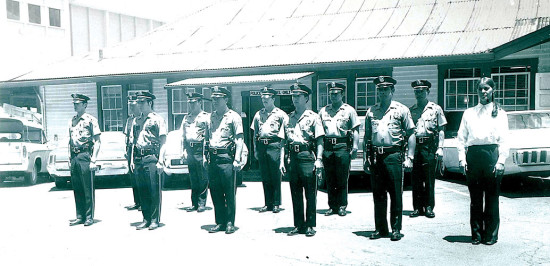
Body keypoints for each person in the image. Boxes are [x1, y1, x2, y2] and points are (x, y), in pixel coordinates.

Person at [457, 77, 508, 245]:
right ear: (476, 91)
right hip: (474, 156)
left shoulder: (500, 113)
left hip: (491, 155)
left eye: (486, 88)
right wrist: (462, 159)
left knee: (492, 197)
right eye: (480, 88)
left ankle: (491, 235)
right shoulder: (469, 113)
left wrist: (501, 161)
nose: (483, 91)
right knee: (475, 198)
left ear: (493, 90)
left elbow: (505, 139)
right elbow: (461, 138)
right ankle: (476, 234)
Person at [363, 76, 416, 241]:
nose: (382, 92)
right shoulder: (371, 111)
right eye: (379, 89)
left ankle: (395, 229)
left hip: (394, 155)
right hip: (376, 156)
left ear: (392, 91)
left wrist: (410, 157)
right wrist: (366, 158)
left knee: (395, 193)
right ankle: (380, 228)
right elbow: (367, 137)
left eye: (386, 89)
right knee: (378, 194)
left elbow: (411, 133)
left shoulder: (401, 110)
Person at [281, 83, 324, 237]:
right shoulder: (289, 118)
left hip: (307, 156)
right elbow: (283, 142)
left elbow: (319, 140)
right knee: (295, 192)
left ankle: (310, 225)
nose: (295, 99)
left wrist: (318, 159)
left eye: (299, 96)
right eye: (293, 96)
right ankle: (299, 225)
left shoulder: (313, 117)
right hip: (293, 156)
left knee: (310, 193)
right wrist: (282, 161)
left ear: (306, 98)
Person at [206, 86, 244, 234]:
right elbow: (207, 138)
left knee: (229, 191)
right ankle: (220, 221)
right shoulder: (211, 117)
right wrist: (205, 156)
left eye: (218, 98)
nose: (214, 101)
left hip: (227, 157)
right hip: (213, 158)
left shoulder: (234, 117)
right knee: (215, 191)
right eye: (213, 99)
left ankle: (230, 222)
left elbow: (239, 139)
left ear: (226, 99)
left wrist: (237, 159)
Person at [319, 82, 360, 217]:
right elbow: (319, 131)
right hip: (328, 146)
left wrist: (355, 147)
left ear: (342, 94)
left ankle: (342, 205)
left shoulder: (349, 110)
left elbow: (355, 130)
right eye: (331, 93)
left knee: (342, 177)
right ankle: (332, 206)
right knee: (330, 178)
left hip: (342, 145)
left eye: (336, 93)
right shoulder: (324, 111)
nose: (333, 96)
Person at [409, 80, 447, 218]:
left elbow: (441, 130)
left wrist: (440, 148)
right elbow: (409, 132)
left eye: (422, 91)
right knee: (416, 178)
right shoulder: (411, 110)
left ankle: (429, 207)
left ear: (428, 92)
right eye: (416, 91)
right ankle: (417, 208)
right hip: (415, 146)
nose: (419, 94)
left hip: (429, 146)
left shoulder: (436, 109)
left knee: (429, 178)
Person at [132, 91, 167, 230]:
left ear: (149, 103)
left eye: (142, 102)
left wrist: (161, 161)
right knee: (142, 190)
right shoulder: (136, 120)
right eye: (138, 102)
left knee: (153, 190)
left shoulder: (158, 119)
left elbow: (163, 141)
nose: (139, 105)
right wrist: (132, 160)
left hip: (151, 157)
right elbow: (134, 141)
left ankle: (154, 219)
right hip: (139, 157)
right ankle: (145, 218)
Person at [251, 86, 288, 214]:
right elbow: (255, 133)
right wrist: (255, 149)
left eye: (266, 99)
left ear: (273, 98)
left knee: (275, 175)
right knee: (265, 176)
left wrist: (283, 153)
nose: (264, 101)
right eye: (262, 99)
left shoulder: (281, 114)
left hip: (274, 146)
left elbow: (284, 136)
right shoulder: (258, 114)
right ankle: (268, 203)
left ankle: (276, 203)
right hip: (262, 146)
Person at [68, 93, 101, 227]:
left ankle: (89, 216)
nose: (75, 105)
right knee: (77, 187)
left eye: (78, 103)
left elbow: (98, 141)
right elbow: (70, 141)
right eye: (74, 103)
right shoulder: (72, 120)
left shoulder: (90, 120)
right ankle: (79, 216)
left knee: (87, 187)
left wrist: (93, 160)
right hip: (75, 156)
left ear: (85, 105)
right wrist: (69, 158)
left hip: (85, 155)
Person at [181, 92, 210, 213]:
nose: (191, 105)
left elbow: (208, 137)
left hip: (200, 149)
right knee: (193, 177)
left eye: (193, 103)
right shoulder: (186, 118)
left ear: (199, 102)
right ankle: (194, 203)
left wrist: (205, 154)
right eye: (189, 103)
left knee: (202, 177)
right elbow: (183, 136)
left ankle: (201, 203)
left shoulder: (206, 117)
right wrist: (183, 151)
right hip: (190, 149)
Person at [123, 95, 141, 211]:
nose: (131, 108)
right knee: (133, 177)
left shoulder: (142, 119)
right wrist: (126, 151)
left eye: (133, 106)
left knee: (140, 176)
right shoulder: (130, 120)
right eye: (130, 106)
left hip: (139, 149)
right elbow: (126, 136)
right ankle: (137, 201)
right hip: (130, 150)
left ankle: (143, 202)